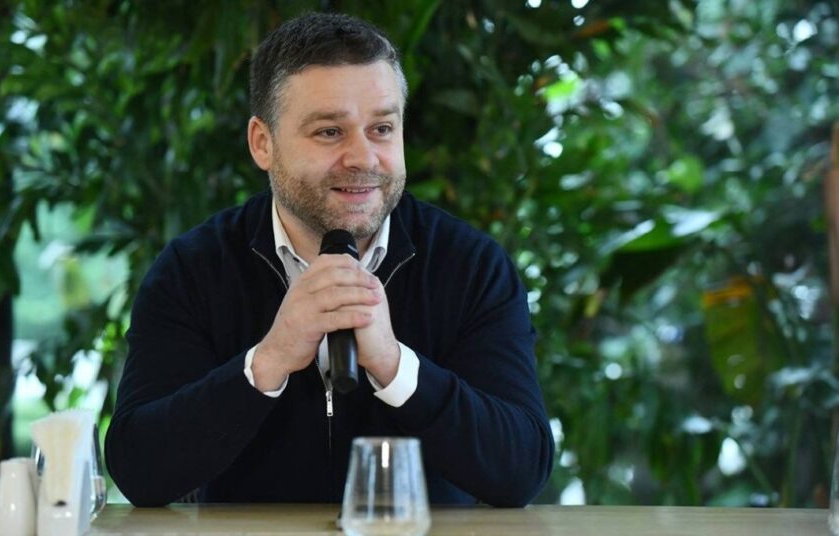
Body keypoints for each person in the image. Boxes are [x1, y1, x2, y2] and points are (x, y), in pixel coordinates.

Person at [105, 12, 553, 507]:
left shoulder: (471, 266)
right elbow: (139, 471)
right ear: (263, 143)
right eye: (329, 132)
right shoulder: (193, 269)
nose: (363, 158)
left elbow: (521, 470)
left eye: (382, 128)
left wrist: (394, 365)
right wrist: (269, 361)